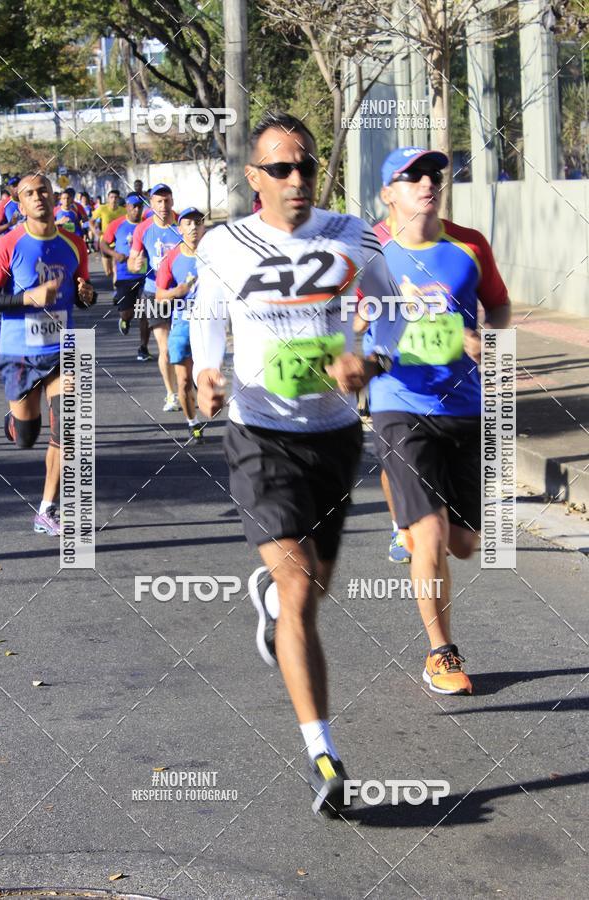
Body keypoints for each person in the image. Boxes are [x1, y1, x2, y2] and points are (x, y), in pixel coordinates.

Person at [191, 111, 403, 817]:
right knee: (302, 588)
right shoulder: (225, 243)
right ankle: (324, 752)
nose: (296, 178)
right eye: (280, 167)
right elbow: (208, 314)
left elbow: (394, 313)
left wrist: (369, 360)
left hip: (335, 434)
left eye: (306, 165)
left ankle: (275, 606)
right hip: (260, 433)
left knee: (314, 588)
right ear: (253, 178)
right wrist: (207, 373)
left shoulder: (352, 234)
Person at [367, 146, 511, 695]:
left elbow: (497, 304)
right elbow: (348, 318)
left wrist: (491, 342)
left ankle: (409, 511)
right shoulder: (370, 252)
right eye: (412, 176)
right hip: (399, 403)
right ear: (389, 193)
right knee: (427, 534)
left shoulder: (469, 246)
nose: (428, 183)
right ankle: (441, 654)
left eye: (433, 174)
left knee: (466, 543)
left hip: (465, 407)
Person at [0, 173, 96, 535]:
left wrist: (86, 295)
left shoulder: (74, 243)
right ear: (20, 206)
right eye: (30, 194)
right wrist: (26, 298)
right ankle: (15, 420)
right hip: (19, 353)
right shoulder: (6, 245)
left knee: (68, 430)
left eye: (44, 191)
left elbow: (82, 295)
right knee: (26, 437)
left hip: (62, 349)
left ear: (54, 197)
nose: (39, 198)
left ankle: (47, 510)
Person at [128, 183, 180, 404]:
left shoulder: (183, 224)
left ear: (172, 201)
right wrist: (135, 263)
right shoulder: (143, 229)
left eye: (167, 200)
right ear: (151, 203)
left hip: (182, 294)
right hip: (154, 293)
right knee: (165, 347)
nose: (164, 205)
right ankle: (172, 393)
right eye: (159, 201)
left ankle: (187, 384)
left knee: (187, 345)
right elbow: (132, 262)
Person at [155, 207, 205, 440]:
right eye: (188, 223)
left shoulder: (216, 254)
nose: (194, 227)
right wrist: (178, 291)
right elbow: (159, 295)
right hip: (183, 325)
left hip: (209, 323)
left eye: (198, 222)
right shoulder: (172, 257)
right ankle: (193, 423)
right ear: (180, 228)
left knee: (207, 378)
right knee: (183, 381)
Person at [99, 194, 148, 345]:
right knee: (128, 312)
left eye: (139, 206)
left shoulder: (148, 224)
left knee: (144, 313)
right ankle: (124, 320)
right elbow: (103, 244)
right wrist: (115, 254)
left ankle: (143, 348)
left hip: (145, 275)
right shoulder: (117, 224)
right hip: (125, 275)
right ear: (126, 207)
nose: (137, 210)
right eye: (133, 206)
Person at [90, 189, 123, 281]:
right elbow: (91, 221)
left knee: (115, 268)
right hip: (105, 242)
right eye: (111, 197)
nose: (114, 199)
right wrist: (95, 231)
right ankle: (113, 278)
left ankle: (116, 290)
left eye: (116, 197)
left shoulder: (123, 211)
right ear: (108, 199)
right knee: (108, 272)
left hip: (117, 242)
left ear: (119, 199)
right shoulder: (102, 208)